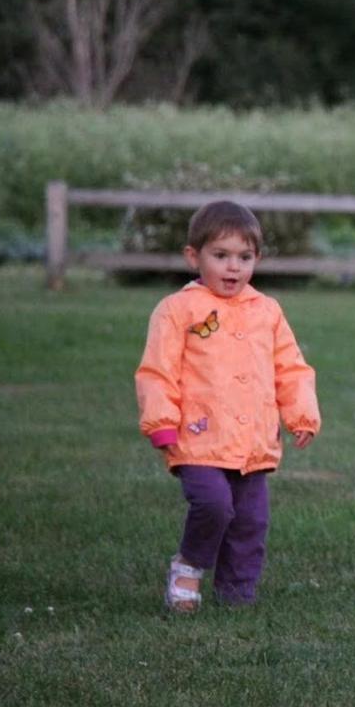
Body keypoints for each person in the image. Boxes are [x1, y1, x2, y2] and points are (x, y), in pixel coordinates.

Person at [135, 201, 321, 612]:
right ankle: (189, 565)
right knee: (214, 505)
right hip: (197, 434)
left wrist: (301, 414)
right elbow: (157, 370)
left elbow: (290, 367)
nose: (233, 267)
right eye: (220, 256)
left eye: (244, 257)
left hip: (253, 440)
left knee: (250, 521)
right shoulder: (177, 311)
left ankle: (237, 596)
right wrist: (161, 423)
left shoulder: (267, 312)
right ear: (193, 256)